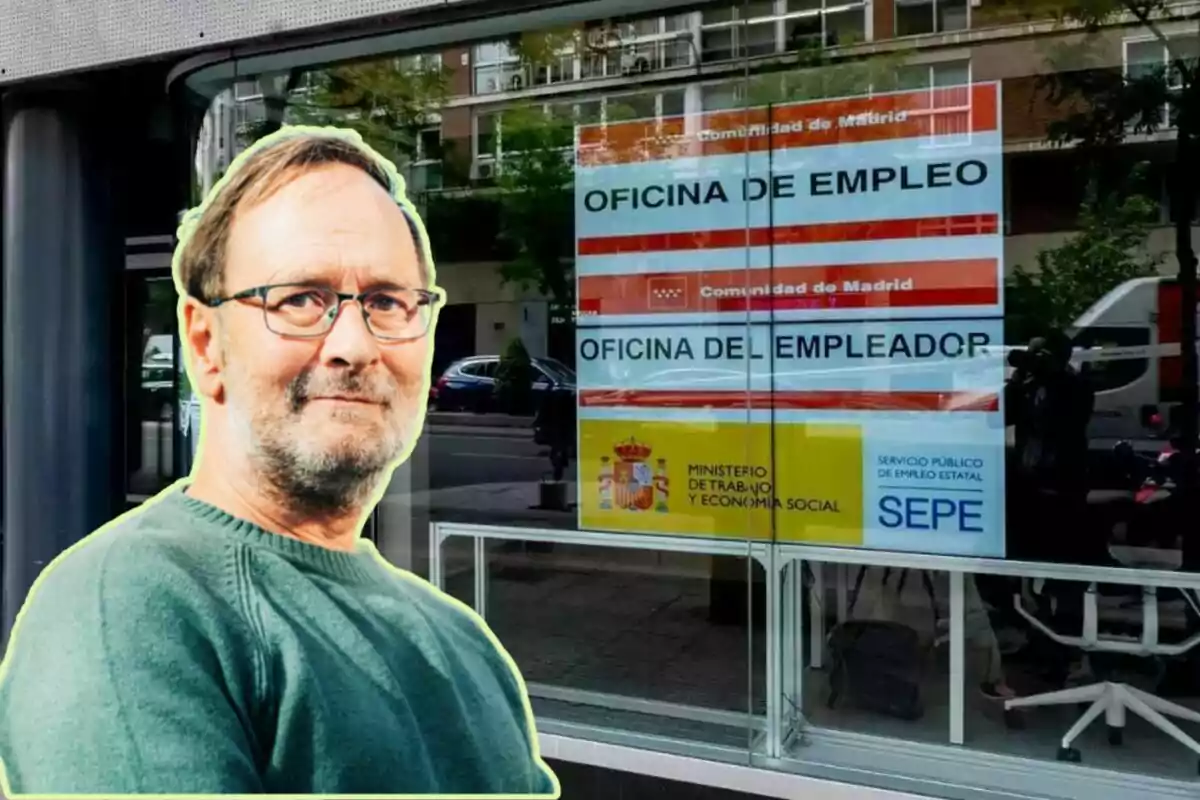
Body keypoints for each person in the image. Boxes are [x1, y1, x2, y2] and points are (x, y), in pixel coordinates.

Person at [0, 127, 559, 797]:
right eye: (299, 300)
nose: (353, 344)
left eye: (385, 301)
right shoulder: (132, 606)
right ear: (206, 346)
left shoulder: (466, 646)